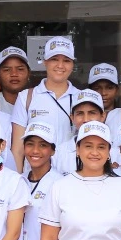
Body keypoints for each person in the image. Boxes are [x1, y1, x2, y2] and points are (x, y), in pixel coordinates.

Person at [10, 36, 79, 164]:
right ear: (45, 62)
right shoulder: (26, 97)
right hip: (35, 178)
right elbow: (18, 150)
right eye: (54, 59)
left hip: (72, 177)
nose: (60, 65)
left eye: (66, 60)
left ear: (72, 64)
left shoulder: (82, 98)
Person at [0, 47, 32, 117]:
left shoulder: (40, 102)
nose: (14, 74)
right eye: (7, 70)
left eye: (20, 69)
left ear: (29, 73)